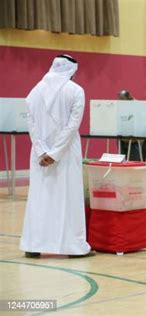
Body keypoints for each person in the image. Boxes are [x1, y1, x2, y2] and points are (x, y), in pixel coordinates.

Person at [20, 55, 92, 258]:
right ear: (72, 71)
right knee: (69, 198)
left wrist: (42, 151)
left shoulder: (35, 91)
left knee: (39, 198)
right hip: (66, 154)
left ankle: (33, 246)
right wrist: (56, 153)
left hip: (39, 155)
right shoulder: (76, 91)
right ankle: (73, 248)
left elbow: (31, 123)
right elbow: (72, 125)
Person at [117, 90, 146, 161]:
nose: (120, 101)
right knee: (121, 162)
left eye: (122, 99)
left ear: (128, 97)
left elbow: (142, 121)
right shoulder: (120, 105)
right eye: (119, 99)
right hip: (122, 139)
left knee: (133, 163)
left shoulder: (138, 106)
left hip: (135, 141)